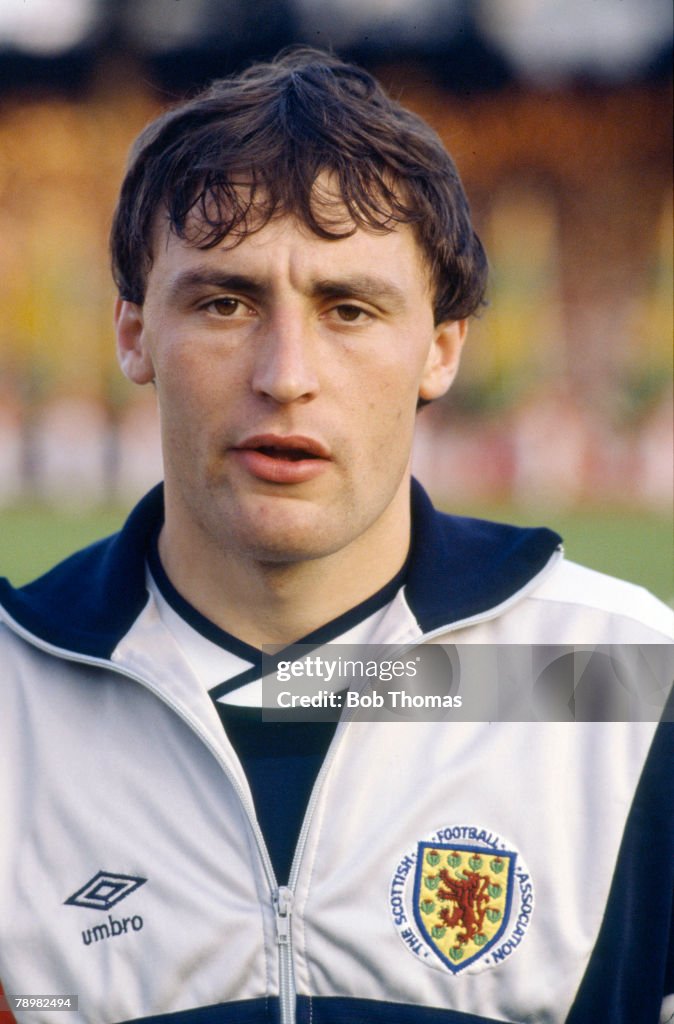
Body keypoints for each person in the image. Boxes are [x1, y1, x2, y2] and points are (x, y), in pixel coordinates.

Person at [0, 47, 671, 1024]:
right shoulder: (15, 699)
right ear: (133, 331)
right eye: (225, 302)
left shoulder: (620, 679)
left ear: (440, 349)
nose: (285, 373)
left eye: (347, 308)